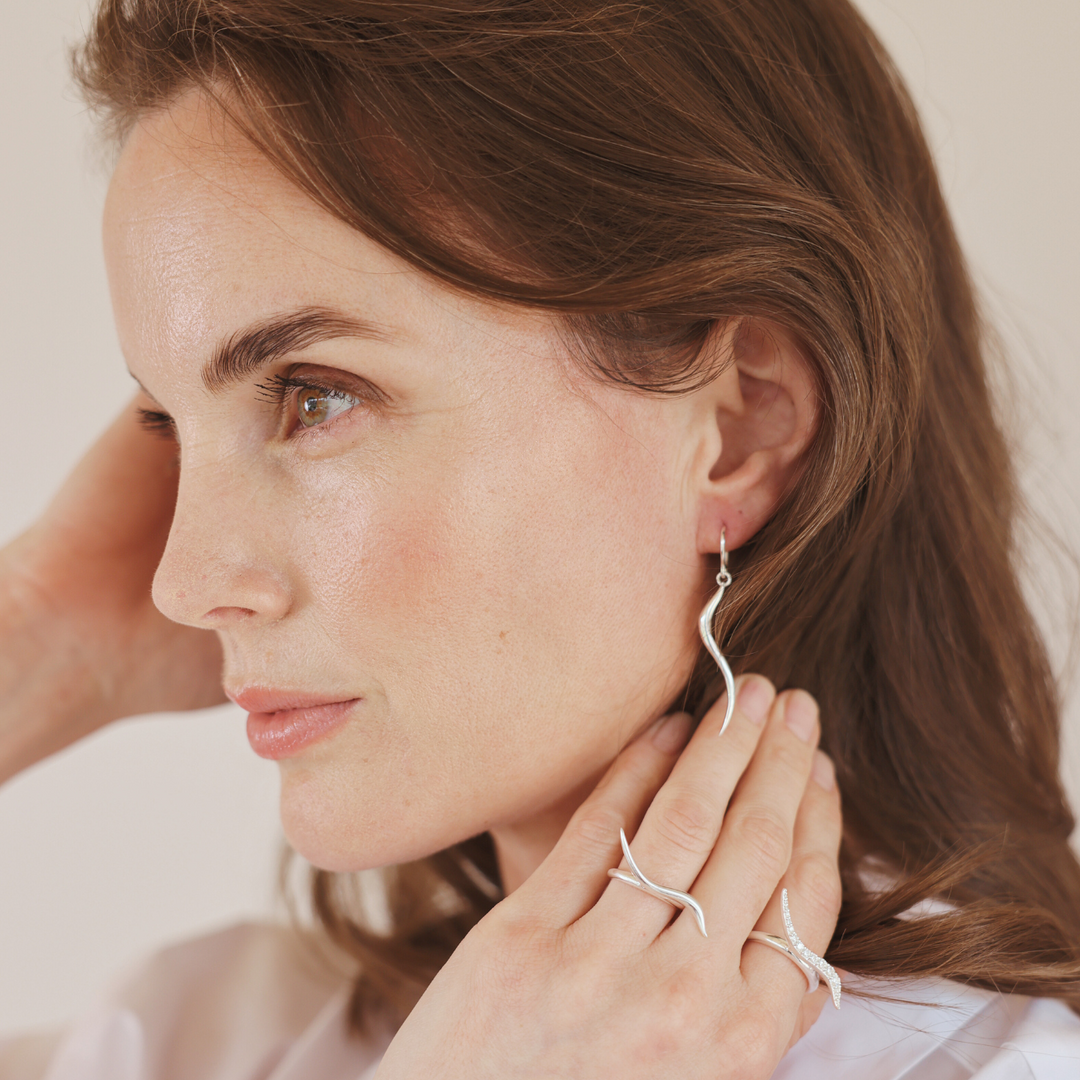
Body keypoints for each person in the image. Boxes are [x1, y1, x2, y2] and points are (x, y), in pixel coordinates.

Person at [2, 0, 1079, 1076]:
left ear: (739, 424)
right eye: (167, 428)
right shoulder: (202, 1037)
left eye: (315, 398)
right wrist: (37, 640)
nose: (183, 583)